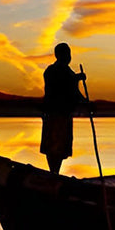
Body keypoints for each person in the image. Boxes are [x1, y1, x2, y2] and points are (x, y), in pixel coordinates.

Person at [40, 43, 87, 174]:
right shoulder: (51, 71)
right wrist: (76, 78)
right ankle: (53, 173)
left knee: (61, 147)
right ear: (58, 55)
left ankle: (55, 173)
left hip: (65, 114)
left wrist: (86, 103)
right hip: (54, 114)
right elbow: (60, 85)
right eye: (65, 54)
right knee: (53, 147)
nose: (68, 57)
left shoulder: (68, 72)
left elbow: (75, 92)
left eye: (69, 54)